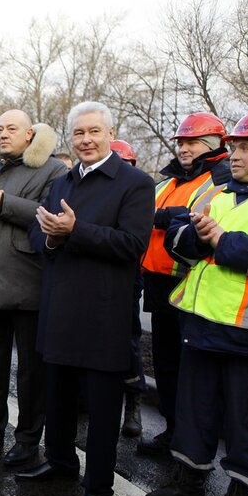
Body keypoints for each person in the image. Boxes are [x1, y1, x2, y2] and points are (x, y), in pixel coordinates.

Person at [145, 106, 248, 496]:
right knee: (194, 415)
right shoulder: (219, 193)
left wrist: (222, 242)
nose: (234, 156)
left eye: (245, 148)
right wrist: (198, 238)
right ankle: (188, 484)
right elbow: (178, 238)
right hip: (203, 329)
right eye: (233, 147)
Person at [17, 102, 154, 496]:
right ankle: (59, 461)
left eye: (94, 131)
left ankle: (98, 489)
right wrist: (52, 238)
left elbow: (132, 245)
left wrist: (74, 231)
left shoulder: (135, 183)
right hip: (59, 308)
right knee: (57, 398)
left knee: (101, 410)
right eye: (78, 133)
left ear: (110, 133)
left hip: (103, 313)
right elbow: (38, 233)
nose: (86, 140)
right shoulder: (62, 181)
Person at [0, 111, 65, 463]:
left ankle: (27, 439)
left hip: (27, 281)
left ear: (29, 134)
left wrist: (1, 202)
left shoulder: (52, 170)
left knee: (31, 371)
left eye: (11, 129)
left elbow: (49, 215)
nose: (3, 134)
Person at [137, 113, 232, 457]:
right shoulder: (168, 181)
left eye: (193, 142)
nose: (185, 149)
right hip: (159, 285)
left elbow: (199, 217)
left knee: (192, 372)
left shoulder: (222, 177)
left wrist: (161, 216)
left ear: (214, 145)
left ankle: (190, 444)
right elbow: (143, 212)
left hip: (192, 287)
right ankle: (172, 431)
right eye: (181, 143)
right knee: (166, 367)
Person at [110, 139, 146, 438]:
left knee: (128, 342)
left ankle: (133, 403)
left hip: (128, 278)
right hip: (94, 279)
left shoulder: (137, 191)